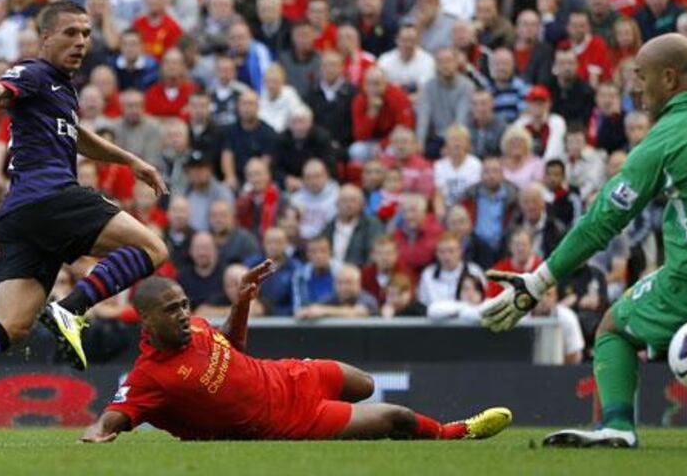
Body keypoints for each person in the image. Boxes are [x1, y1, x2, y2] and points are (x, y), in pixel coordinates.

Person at [481, 37, 687, 450]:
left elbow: (601, 221)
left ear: (669, 78)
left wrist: (538, 281)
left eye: (641, 75)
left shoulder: (666, 140)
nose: (633, 86)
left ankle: (617, 425)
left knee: (613, 329)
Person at [0, 2, 170, 442]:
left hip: (18, 216)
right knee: (153, 249)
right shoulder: (32, 73)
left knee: (13, 325)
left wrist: (132, 161)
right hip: (50, 197)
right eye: (71, 32)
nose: (81, 42)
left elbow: (80, 137)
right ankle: (70, 310)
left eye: (87, 34)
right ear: (45, 37)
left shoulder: (61, 90)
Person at [80, 271, 511, 442]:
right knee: (393, 416)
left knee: (363, 384)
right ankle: (456, 434)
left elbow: (233, 344)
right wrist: (96, 435)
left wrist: (243, 301)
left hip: (288, 376)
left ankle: (352, 436)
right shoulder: (150, 377)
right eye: (172, 310)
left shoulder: (195, 326)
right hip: (284, 423)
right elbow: (113, 417)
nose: (184, 314)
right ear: (147, 322)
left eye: (184, 304)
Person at [323, 184, 384, 267]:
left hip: (358, 274)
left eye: (353, 200)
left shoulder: (372, 224)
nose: (348, 205)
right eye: (344, 200)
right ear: (336, 203)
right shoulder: (329, 226)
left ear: (362, 204)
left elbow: (374, 255)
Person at [296, 263, 380, 320]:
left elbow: (357, 312)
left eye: (348, 282)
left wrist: (324, 311)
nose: (344, 287)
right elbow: (315, 308)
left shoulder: (368, 299)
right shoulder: (334, 297)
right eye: (340, 282)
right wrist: (307, 312)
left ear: (358, 284)